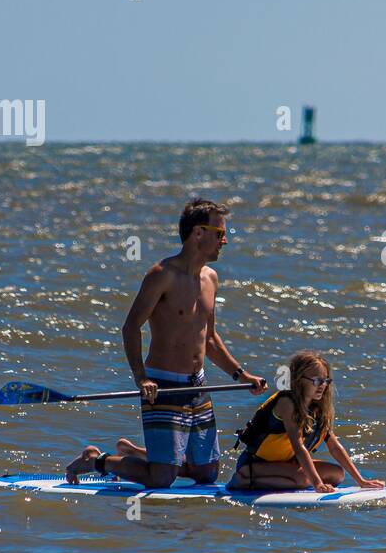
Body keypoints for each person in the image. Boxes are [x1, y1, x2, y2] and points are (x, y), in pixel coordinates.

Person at [65, 198, 266, 487]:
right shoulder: (162, 275)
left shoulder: (211, 278)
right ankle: (96, 460)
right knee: (162, 479)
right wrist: (141, 378)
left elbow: (209, 338)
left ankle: (136, 455)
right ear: (198, 233)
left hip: (199, 386)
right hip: (163, 387)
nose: (225, 241)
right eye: (220, 233)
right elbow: (131, 326)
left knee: (206, 474)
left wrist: (241, 375)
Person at [226, 350, 384, 493]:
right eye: (317, 381)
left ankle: (290, 479)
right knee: (303, 479)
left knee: (337, 474)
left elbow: (334, 447)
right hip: (256, 464)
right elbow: (298, 447)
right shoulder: (287, 403)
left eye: (325, 381)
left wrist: (361, 481)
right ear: (298, 380)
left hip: (285, 465)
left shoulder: (317, 408)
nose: (322, 386)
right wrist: (317, 484)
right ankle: (244, 479)